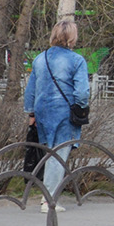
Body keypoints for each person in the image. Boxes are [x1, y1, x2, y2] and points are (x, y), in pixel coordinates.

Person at [23, 18, 90, 211]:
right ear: (71, 38)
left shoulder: (40, 59)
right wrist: (81, 106)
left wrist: (31, 112)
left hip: (42, 111)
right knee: (58, 154)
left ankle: (46, 194)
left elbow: (31, 89)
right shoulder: (77, 60)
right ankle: (49, 199)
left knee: (48, 152)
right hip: (64, 113)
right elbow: (82, 92)